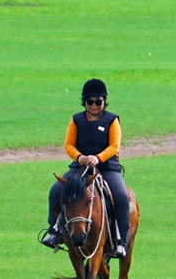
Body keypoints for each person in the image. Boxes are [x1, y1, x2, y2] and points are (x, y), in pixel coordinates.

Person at [40, 78, 132, 258]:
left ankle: (121, 241)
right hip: (80, 167)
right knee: (56, 190)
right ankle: (55, 230)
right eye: (90, 101)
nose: (94, 105)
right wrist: (80, 157)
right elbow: (68, 145)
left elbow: (114, 146)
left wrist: (98, 158)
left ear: (104, 101)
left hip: (107, 167)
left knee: (121, 196)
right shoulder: (76, 120)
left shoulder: (112, 120)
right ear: (85, 102)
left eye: (98, 101)